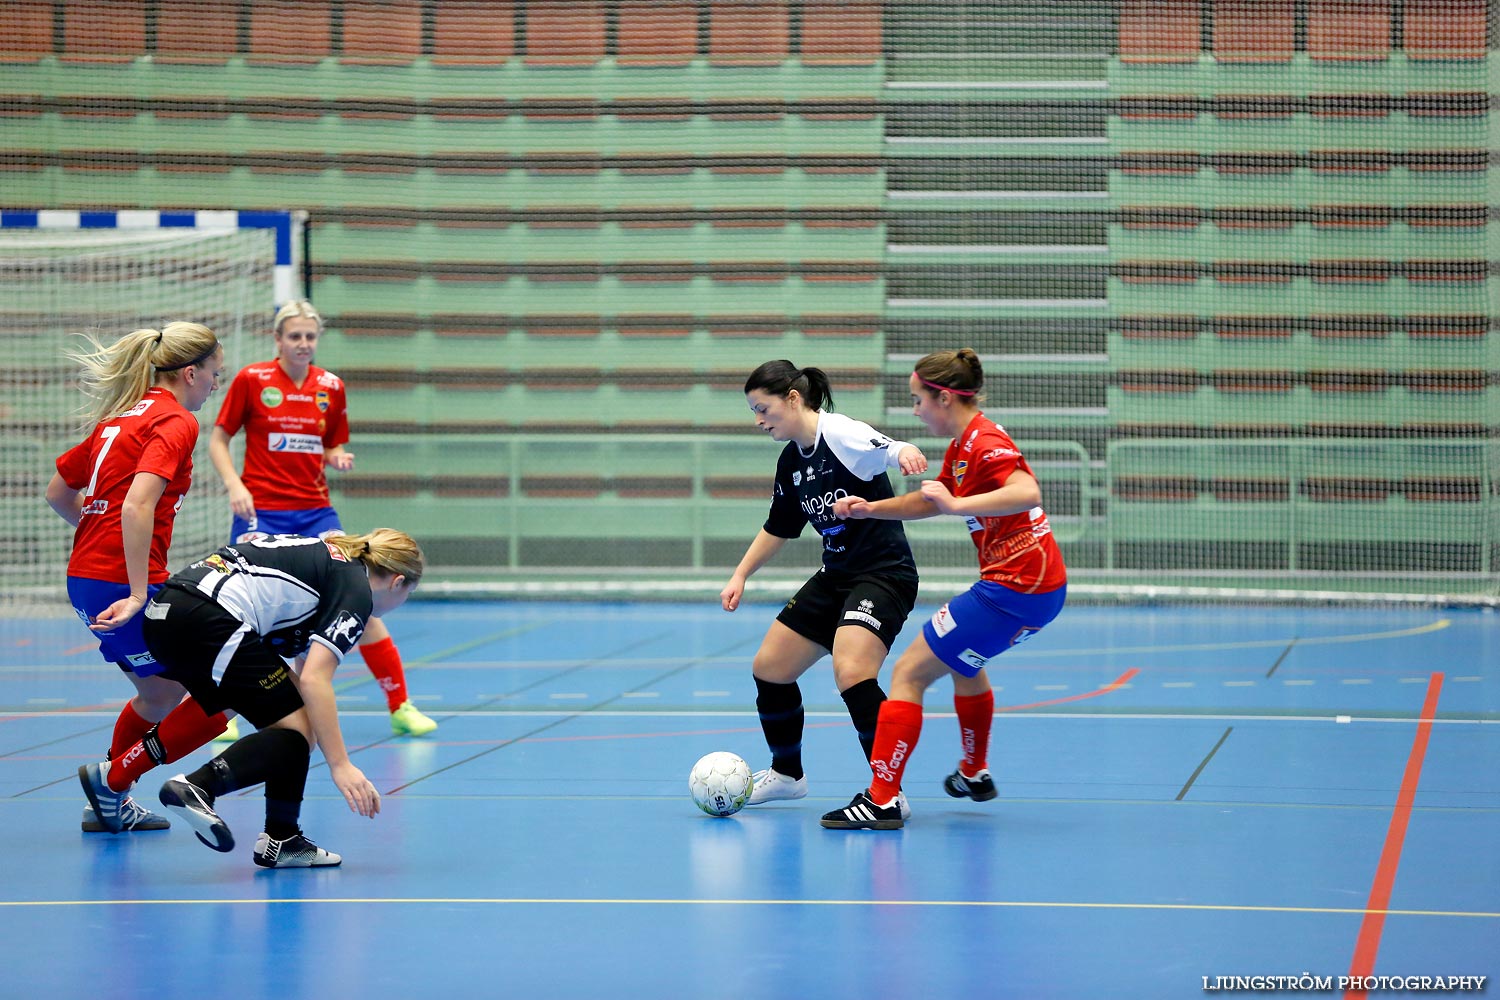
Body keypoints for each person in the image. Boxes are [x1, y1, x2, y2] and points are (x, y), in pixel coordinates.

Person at [819, 349, 1068, 830]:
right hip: (1037, 589)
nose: (915, 410)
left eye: (918, 400)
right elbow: (926, 502)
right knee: (962, 663)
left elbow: (1026, 491)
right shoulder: (961, 447)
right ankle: (974, 772)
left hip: (1015, 586)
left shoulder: (985, 440)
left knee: (909, 673)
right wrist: (869, 510)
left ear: (946, 397)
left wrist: (957, 504)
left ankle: (882, 798)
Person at [78, 529, 422, 868]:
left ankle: (280, 838)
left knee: (269, 712)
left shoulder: (329, 560)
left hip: (169, 612)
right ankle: (199, 788)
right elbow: (317, 680)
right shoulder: (355, 590)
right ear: (397, 582)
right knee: (297, 732)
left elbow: (303, 681)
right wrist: (341, 765)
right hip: (207, 617)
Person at [208, 299, 436, 738]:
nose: (303, 343)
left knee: (357, 601)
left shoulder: (330, 385)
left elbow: (329, 444)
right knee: (244, 612)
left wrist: (336, 456)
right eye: (294, 336)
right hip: (261, 513)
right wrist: (236, 485)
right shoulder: (252, 380)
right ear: (278, 340)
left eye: (310, 336)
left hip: (316, 512)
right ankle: (225, 714)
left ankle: (400, 705)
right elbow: (220, 438)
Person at [46, 322, 230, 834]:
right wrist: (135, 591)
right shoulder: (174, 422)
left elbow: (58, 493)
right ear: (190, 373)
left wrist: (96, 541)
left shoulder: (119, 419)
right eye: (215, 374)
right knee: (219, 696)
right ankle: (111, 782)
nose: (216, 384)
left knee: (157, 696)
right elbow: (137, 505)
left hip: (85, 577)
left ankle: (110, 801)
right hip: (122, 584)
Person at [720, 360, 927, 813]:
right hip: (837, 576)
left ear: (792, 399)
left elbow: (886, 448)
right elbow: (779, 526)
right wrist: (740, 574)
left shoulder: (840, 434)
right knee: (770, 667)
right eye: (754, 412)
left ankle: (888, 795)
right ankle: (787, 775)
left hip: (884, 574)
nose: (759, 420)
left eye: (763, 409)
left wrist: (906, 452)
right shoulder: (792, 459)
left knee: (852, 671)